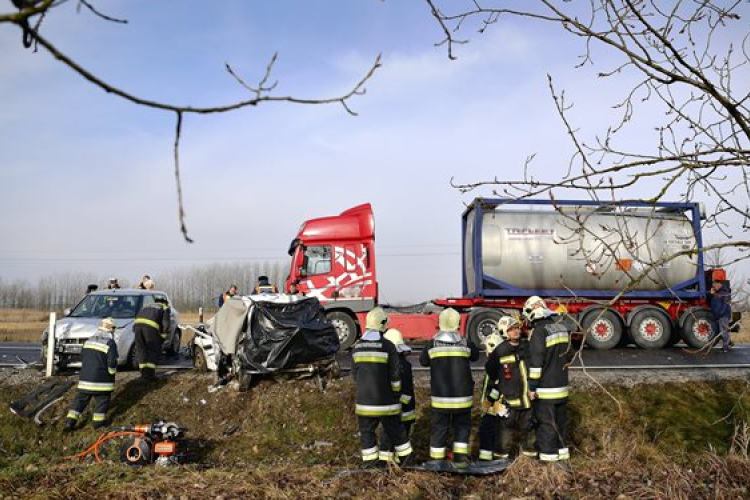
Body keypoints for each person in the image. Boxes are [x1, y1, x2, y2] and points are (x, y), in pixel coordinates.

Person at [352, 308, 414, 469]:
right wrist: (395, 394)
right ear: (382, 325)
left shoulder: (357, 347)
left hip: (365, 402)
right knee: (396, 431)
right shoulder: (388, 346)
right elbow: (395, 376)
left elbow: (355, 375)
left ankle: (371, 465)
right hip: (386, 402)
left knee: (367, 434)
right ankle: (407, 460)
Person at [419, 307, 479, 468]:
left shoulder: (432, 344)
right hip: (463, 398)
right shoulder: (465, 342)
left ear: (440, 323)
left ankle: (437, 462)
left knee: (439, 428)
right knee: (462, 427)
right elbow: (476, 356)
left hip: (441, 398)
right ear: (458, 323)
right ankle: (460, 460)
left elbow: (423, 361)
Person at [525, 296, 573, 467]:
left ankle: (548, 463)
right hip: (562, 386)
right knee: (561, 424)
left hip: (546, 389)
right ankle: (563, 459)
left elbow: (536, 364)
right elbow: (570, 355)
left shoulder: (539, 331)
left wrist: (532, 387)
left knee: (546, 425)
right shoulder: (561, 327)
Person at [481, 316, 536, 461]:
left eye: (517, 328)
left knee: (529, 434)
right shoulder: (501, 350)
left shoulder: (527, 346)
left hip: (528, 400)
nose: (515, 332)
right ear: (505, 332)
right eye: (511, 330)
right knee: (504, 437)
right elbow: (491, 371)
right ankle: (500, 463)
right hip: (509, 401)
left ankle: (530, 465)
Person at [64, 318, 118, 430]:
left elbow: (83, 358)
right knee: (102, 401)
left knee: (80, 401)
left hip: (85, 381)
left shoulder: (88, 341)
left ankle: (69, 422)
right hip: (102, 383)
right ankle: (98, 424)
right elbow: (112, 362)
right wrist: (112, 373)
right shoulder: (110, 343)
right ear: (111, 331)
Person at [379, 328, 416, 465]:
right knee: (399, 439)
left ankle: (387, 466)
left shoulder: (395, 366)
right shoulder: (405, 364)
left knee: (388, 439)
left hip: (397, 410)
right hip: (406, 410)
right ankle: (398, 464)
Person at [477, 332, 506, 461]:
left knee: (487, 432)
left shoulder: (495, 365)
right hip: (495, 406)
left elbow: (496, 387)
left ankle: (485, 460)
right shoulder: (497, 362)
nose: (485, 351)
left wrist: (487, 403)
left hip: (495, 407)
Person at [133, 296, 170, 380]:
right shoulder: (164, 307)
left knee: (141, 350)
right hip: (150, 328)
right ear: (165, 302)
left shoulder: (147, 305)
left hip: (137, 327)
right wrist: (162, 337)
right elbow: (166, 324)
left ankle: (143, 374)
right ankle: (150, 375)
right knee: (154, 350)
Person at [710, 281, 733, 352]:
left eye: (714, 286)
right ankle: (728, 344)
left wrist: (720, 313)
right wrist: (713, 293)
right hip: (720, 315)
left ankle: (726, 347)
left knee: (723, 331)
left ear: (719, 284)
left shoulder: (724, 293)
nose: (713, 288)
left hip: (723, 315)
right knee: (722, 331)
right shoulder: (719, 293)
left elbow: (725, 304)